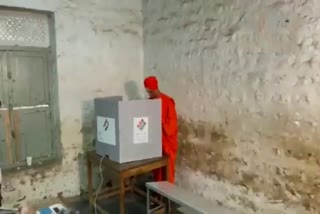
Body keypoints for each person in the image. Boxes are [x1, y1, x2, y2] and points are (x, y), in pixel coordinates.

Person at [144, 76, 178, 183]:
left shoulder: (168, 102)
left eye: (150, 91)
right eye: (147, 92)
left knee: (168, 172)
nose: (149, 94)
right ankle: (158, 195)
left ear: (155, 88)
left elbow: (172, 126)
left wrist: (160, 121)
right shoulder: (149, 102)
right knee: (157, 170)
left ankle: (167, 197)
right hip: (156, 143)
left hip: (167, 143)